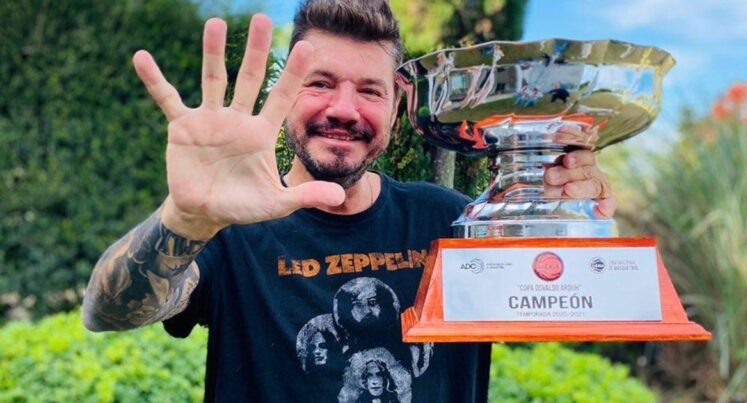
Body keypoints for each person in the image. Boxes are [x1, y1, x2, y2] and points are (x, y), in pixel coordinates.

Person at [82, 1, 617, 402]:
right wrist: (184, 220)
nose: (344, 109)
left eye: (369, 90)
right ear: (287, 92)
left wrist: (567, 214)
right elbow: (107, 311)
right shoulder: (230, 228)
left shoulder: (450, 220)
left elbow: (561, 299)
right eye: (320, 83)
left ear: (396, 107)